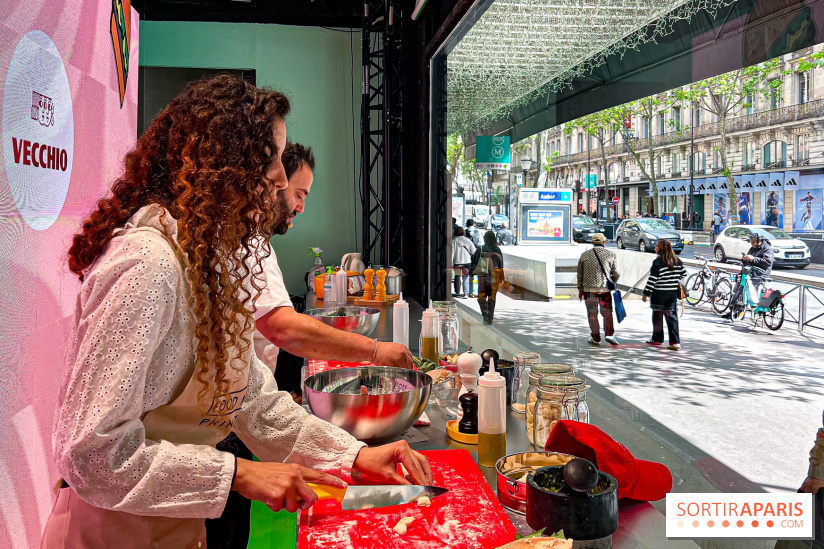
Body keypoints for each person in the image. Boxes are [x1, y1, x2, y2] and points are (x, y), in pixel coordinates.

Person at [41, 76, 432, 549]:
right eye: (269, 160)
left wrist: (351, 457)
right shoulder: (148, 263)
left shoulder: (207, 261)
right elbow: (91, 454)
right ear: (218, 166)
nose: (281, 181)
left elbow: (253, 403)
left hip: (173, 531)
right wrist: (238, 473)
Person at [207, 142, 413, 549]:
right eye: (294, 190)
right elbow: (283, 328)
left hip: (229, 429)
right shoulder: (164, 257)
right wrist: (372, 352)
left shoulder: (241, 244)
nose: (295, 199)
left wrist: (352, 456)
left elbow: (252, 398)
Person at [642, 239, 688, 351]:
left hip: (658, 294)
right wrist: (673, 280)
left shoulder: (658, 262)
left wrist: (646, 294)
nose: (655, 248)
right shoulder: (677, 260)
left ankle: (657, 338)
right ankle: (675, 342)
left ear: (662, 248)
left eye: (657, 246)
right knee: (672, 318)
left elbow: (652, 280)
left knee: (657, 317)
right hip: (671, 295)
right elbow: (684, 274)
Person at [577, 233, 620, 345]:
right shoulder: (611, 254)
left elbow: (580, 274)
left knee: (592, 314)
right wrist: (613, 282)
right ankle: (609, 335)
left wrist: (580, 290)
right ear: (604, 242)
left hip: (589, 290)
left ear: (592, 243)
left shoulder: (584, 255)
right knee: (607, 313)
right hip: (605, 290)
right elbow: (617, 273)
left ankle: (595, 337)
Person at [472, 230, 504, 324]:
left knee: (482, 296)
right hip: (495, 274)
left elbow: (475, 263)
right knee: (492, 297)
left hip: (483, 275)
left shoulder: (480, 249)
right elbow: (501, 264)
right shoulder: (497, 250)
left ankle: (485, 312)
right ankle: (490, 317)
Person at [452, 227, 475, 297]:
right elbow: (474, 251)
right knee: (466, 277)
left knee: (457, 276)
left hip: (457, 262)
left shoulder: (454, 241)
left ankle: (457, 292)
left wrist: (450, 262)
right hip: (467, 262)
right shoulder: (468, 240)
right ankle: (466, 293)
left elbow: (452, 253)